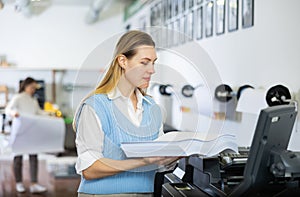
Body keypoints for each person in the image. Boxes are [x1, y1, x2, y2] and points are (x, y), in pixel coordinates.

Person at [73, 30, 179, 196]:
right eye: (144, 62)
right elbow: (89, 168)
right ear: (123, 61)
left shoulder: (152, 108)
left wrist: (169, 159)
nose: (152, 70)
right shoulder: (95, 106)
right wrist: (141, 161)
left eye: (153, 63)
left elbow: (156, 163)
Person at [5, 77, 47, 194]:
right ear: (25, 86)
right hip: (20, 132)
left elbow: (39, 113)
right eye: (32, 87)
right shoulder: (18, 98)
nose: (33, 90)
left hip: (31, 132)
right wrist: (14, 113)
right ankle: (19, 183)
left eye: (35, 88)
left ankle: (34, 183)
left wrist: (51, 114)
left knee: (33, 157)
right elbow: (8, 109)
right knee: (18, 158)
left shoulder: (33, 100)